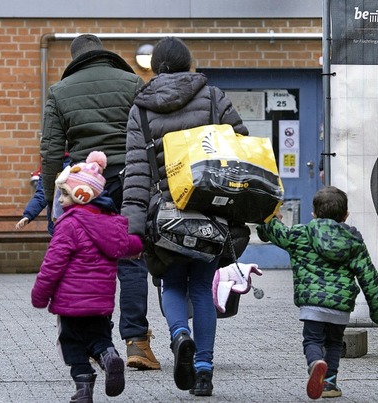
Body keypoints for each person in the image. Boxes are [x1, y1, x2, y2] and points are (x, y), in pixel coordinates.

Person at [120, 37, 248, 396]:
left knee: (171, 283)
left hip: (164, 217)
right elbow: (241, 146)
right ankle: (204, 371)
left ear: (153, 67)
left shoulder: (141, 110)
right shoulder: (213, 97)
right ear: (190, 64)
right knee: (203, 292)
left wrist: (132, 227)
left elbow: (136, 173)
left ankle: (179, 337)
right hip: (210, 212)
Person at [39, 34, 160, 370]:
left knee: (88, 261)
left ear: (74, 59)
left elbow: (50, 151)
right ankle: (137, 342)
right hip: (132, 179)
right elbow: (151, 136)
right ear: (105, 55)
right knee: (132, 258)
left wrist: (54, 197)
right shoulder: (132, 82)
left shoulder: (59, 92)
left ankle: (98, 342)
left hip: (85, 185)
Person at [256, 186, 378, 400]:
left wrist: (271, 215)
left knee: (312, 341)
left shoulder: (300, 234)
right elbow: (369, 277)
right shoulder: (353, 242)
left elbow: (274, 232)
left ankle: (315, 363)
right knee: (335, 343)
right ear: (346, 215)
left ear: (314, 213)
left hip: (312, 306)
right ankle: (329, 383)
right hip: (340, 308)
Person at [31, 151, 144, 403]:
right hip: (100, 304)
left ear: (81, 195)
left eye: (64, 194)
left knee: (71, 342)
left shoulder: (68, 225)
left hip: (70, 304)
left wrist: (40, 294)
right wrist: (141, 244)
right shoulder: (112, 223)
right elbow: (127, 245)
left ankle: (83, 390)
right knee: (99, 337)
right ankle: (109, 355)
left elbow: (53, 264)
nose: (60, 200)